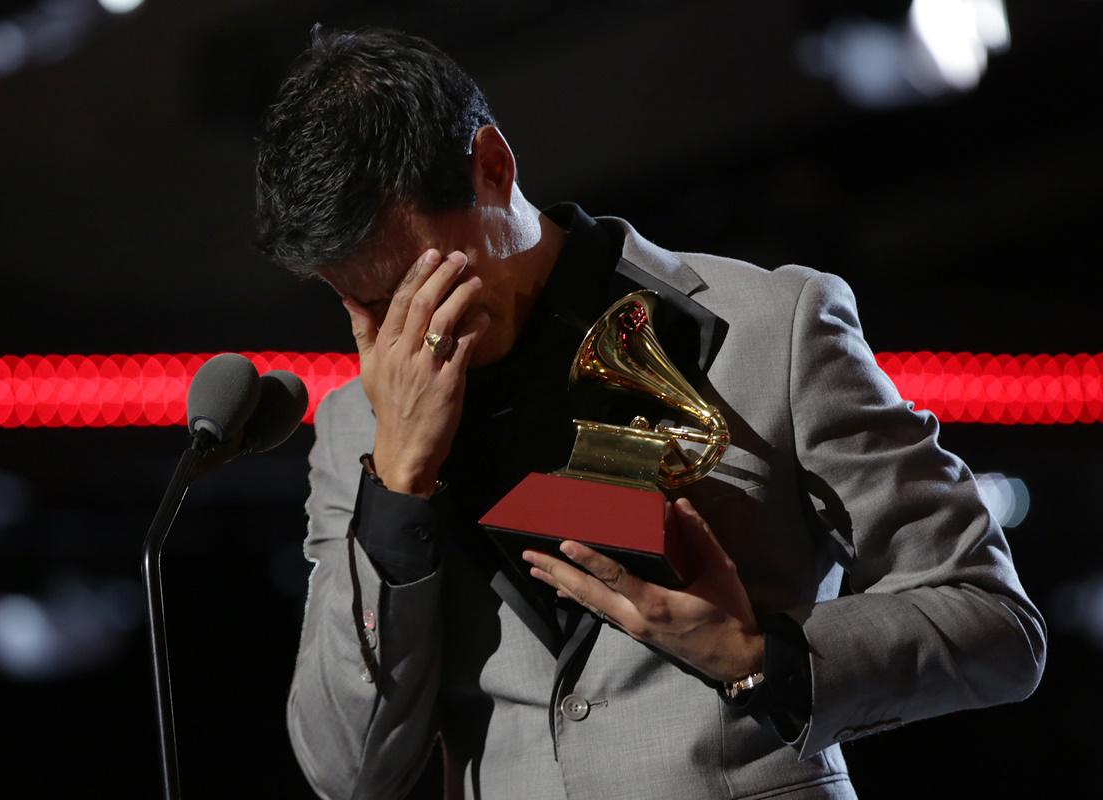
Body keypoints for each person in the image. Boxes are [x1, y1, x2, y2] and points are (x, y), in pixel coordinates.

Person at [256, 26, 1046, 800]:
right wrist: (396, 484)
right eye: (359, 301)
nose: (404, 327)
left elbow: (996, 625)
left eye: (417, 279)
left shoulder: (775, 324)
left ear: (492, 167)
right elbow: (346, 771)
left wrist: (757, 655)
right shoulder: (356, 433)